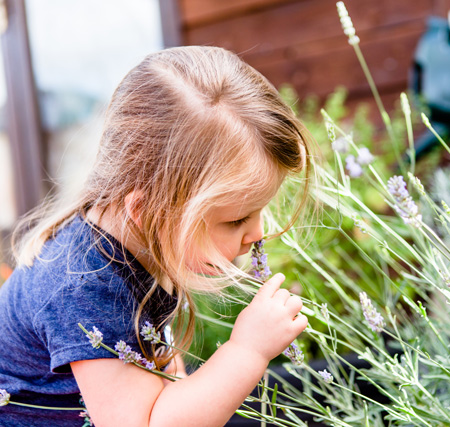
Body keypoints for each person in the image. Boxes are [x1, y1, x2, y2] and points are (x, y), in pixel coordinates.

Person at [0, 46, 312, 426]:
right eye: (236, 220)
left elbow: (162, 381)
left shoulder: (135, 245)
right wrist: (248, 350)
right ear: (147, 211)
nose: (257, 234)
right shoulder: (83, 288)